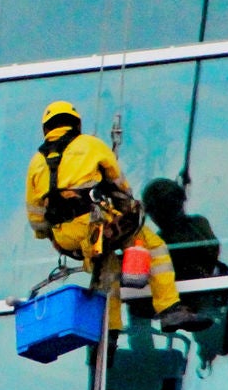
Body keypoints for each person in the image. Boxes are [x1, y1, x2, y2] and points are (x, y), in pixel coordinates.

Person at [25, 101, 210, 332]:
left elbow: (36, 217)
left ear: (46, 129)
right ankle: (170, 309)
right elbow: (118, 183)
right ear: (77, 124)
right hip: (96, 225)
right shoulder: (90, 145)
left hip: (66, 237)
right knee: (154, 247)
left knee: (107, 268)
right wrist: (127, 209)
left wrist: (53, 238)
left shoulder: (36, 162)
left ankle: (110, 333)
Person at [140, 177, 228, 362]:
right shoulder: (196, 226)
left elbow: (196, 252)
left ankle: (143, 351)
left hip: (197, 300)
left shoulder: (177, 236)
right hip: (198, 300)